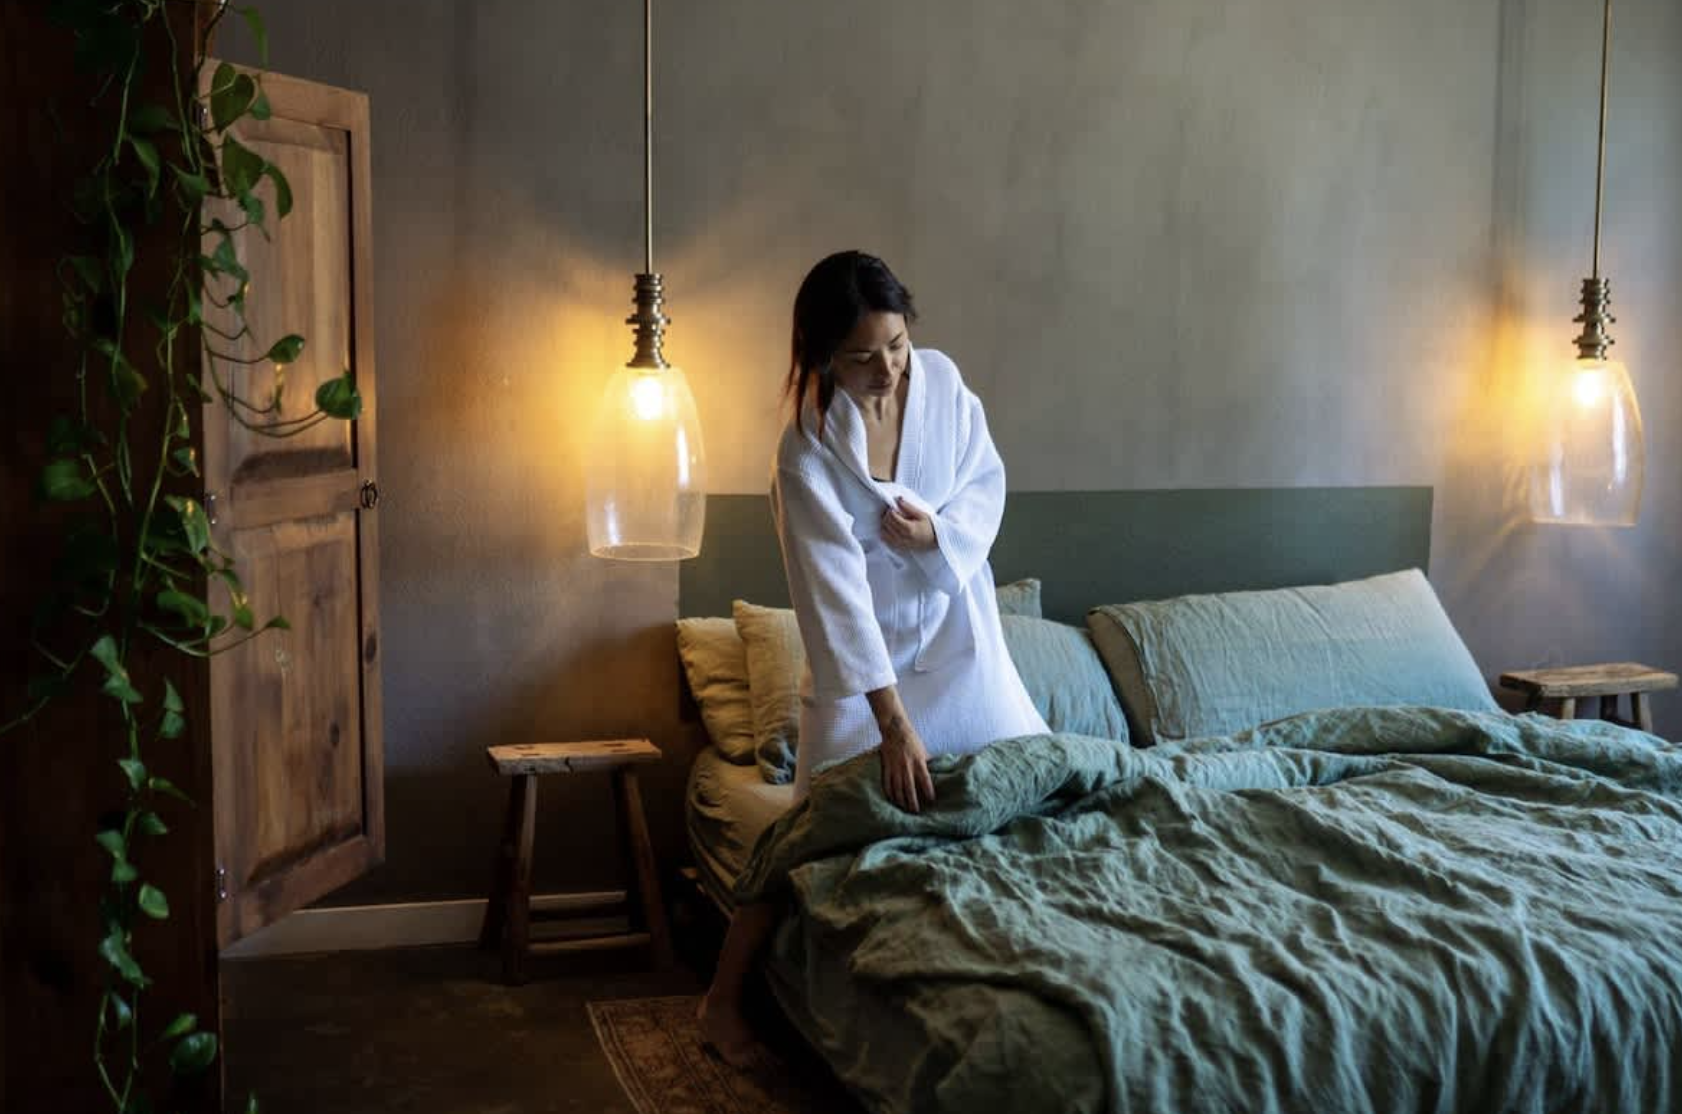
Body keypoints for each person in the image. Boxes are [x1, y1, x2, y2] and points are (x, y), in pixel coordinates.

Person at [697, 250, 1048, 1065]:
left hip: (959, 639)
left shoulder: (945, 388)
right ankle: (719, 1006)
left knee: (1027, 777)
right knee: (810, 829)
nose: (886, 368)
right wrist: (890, 723)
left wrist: (937, 535)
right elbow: (832, 599)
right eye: (861, 355)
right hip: (867, 672)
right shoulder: (806, 451)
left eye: (894, 344)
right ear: (821, 352)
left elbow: (986, 486)